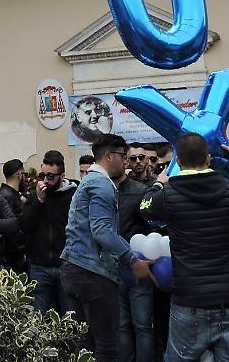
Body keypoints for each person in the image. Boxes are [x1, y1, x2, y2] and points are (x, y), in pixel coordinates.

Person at [140, 134, 229, 361]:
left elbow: (144, 208)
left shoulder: (168, 195)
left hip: (188, 300)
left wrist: (158, 183)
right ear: (208, 158)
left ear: (179, 161)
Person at [60, 134, 152, 362]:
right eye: (123, 156)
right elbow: (102, 230)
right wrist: (132, 260)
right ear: (109, 156)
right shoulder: (101, 184)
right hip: (92, 272)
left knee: (85, 346)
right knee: (107, 347)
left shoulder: (89, 181)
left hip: (74, 267)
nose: (126, 161)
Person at [21, 149, 77, 313]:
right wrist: (39, 201)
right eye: (42, 175)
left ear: (62, 176)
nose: (45, 180)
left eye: (51, 176)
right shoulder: (35, 195)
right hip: (40, 265)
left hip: (65, 264)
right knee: (37, 316)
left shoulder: (72, 196)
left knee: (70, 315)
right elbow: (24, 225)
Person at [114, 148, 155, 362]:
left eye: (141, 157)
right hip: (115, 266)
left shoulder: (142, 191)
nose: (137, 161)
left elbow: (152, 225)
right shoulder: (104, 190)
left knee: (142, 325)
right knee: (124, 326)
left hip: (138, 264)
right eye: (133, 158)